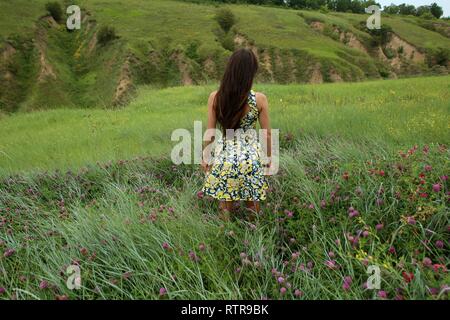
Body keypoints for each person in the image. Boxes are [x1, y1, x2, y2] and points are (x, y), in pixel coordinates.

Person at [201, 48, 272, 221]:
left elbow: (210, 132)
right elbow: (267, 134)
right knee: (252, 203)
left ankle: (226, 235)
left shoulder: (216, 97)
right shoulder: (259, 99)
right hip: (251, 157)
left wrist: (206, 156)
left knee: (226, 204)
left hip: (225, 155)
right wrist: (268, 160)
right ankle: (254, 235)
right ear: (251, 73)